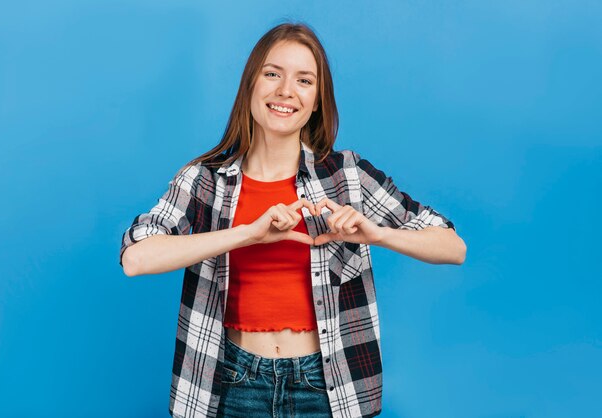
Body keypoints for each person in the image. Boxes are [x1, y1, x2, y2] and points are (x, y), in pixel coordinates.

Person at [119, 22, 466, 418]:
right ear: (250, 84)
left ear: (317, 100)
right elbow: (136, 257)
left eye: (304, 80)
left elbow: (452, 247)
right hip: (230, 382)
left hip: (327, 384)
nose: (286, 91)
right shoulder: (206, 180)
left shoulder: (347, 175)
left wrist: (377, 234)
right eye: (272, 74)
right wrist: (247, 234)